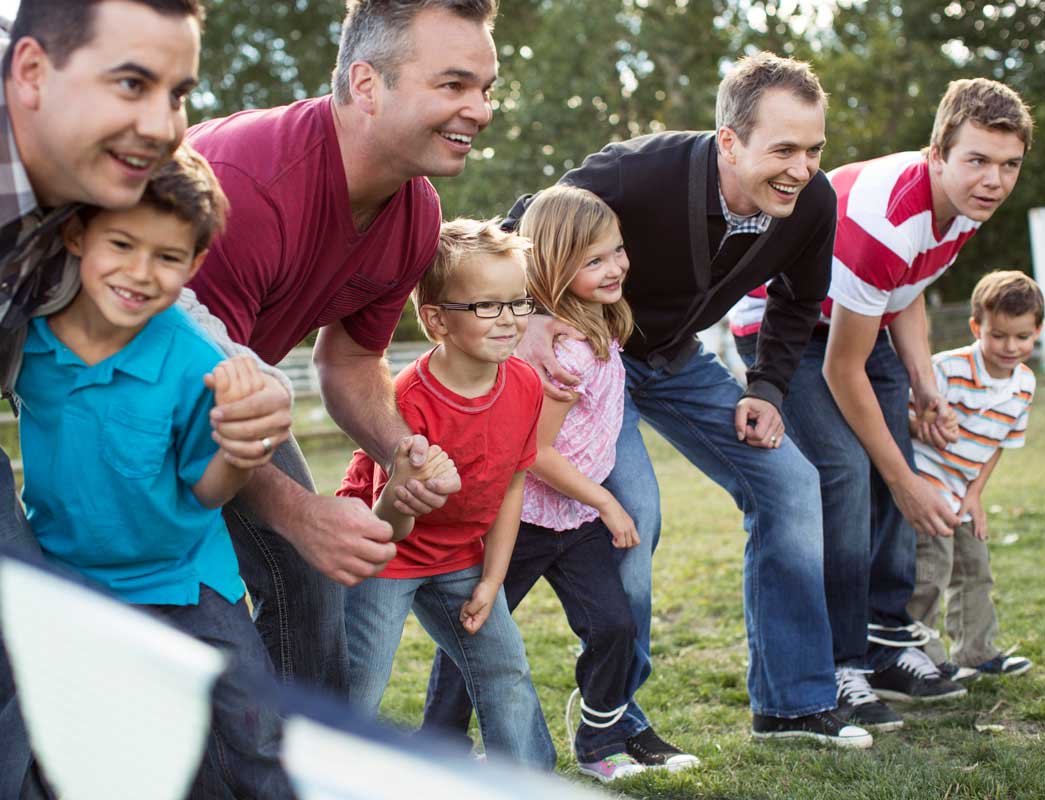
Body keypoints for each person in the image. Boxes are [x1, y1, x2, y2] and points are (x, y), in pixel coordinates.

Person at [0, 3, 291, 796]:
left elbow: (174, 308)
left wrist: (259, 384)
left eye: (177, 92)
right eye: (133, 83)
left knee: (0, 619)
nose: (163, 123)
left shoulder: (88, 193)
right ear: (31, 72)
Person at [510, 53, 871, 752]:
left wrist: (765, 387)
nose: (803, 168)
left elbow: (798, 304)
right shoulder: (636, 170)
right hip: (597, 364)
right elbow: (528, 219)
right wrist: (526, 314)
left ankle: (792, 705)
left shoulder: (812, 203)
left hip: (678, 363)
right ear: (730, 143)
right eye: (785, 149)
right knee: (635, 515)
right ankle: (616, 718)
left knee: (793, 484)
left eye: (815, 150)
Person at [184, 0, 500, 693]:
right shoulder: (246, 190)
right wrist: (301, 512)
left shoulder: (417, 213)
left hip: (227, 391)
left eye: (485, 88)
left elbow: (350, 361)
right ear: (366, 85)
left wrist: (400, 449)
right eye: (452, 85)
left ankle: (298, 766)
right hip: (121, 395)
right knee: (182, 611)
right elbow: (179, 387)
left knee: (310, 584)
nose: (478, 110)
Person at [730, 78, 1033, 730]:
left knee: (909, 456)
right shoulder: (887, 219)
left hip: (853, 323)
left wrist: (926, 386)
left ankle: (886, 642)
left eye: (1009, 165)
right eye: (978, 160)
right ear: (939, 152)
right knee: (848, 473)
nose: (995, 180)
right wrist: (901, 480)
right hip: (786, 328)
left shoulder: (963, 209)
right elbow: (843, 368)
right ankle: (842, 664)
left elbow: (908, 291)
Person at [14, 146, 293, 799]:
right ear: (78, 234)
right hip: (69, 575)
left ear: (194, 265)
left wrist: (237, 454)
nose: (140, 273)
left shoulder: (192, 357)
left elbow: (206, 490)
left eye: (167, 257)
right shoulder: (25, 338)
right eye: (121, 243)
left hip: (184, 580)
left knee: (253, 733)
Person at [422, 186, 700, 781]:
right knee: (477, 630)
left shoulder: (598, 326)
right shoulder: (561, 354)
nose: (615, 267)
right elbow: (536, 453)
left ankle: (600, 739)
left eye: (617, 251)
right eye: (593, 260)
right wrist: (608, 500)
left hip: (572, 525)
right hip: (520, 520)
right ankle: (437, 747)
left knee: (615, 625)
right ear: (553, 265)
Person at [338, 219, 556, 770]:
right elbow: (390, 525)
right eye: (487, 306)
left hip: (462, 557)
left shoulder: (525, 383)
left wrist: (492, 578)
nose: (508, 319)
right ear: (437, 319)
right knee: (356, 688)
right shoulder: (405, 403)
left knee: (505, 670)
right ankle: (316, 776)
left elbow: (513, 483)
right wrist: (407, 495)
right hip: (385, 559)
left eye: (518, 302)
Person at [906, 270, 1042, 681]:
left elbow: (998, 444)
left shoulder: (1025, 386)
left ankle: (976, 651)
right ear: (976, 327)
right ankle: (921, 660)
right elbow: (902, 413)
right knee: (932, 567)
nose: (1010, 346)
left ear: (1037, 331)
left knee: (975, 567)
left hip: (962, 490)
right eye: (998, 335)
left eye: (1022, 336)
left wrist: (975, 494)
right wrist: (922, 426)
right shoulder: (947, 369)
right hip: (927, 483)